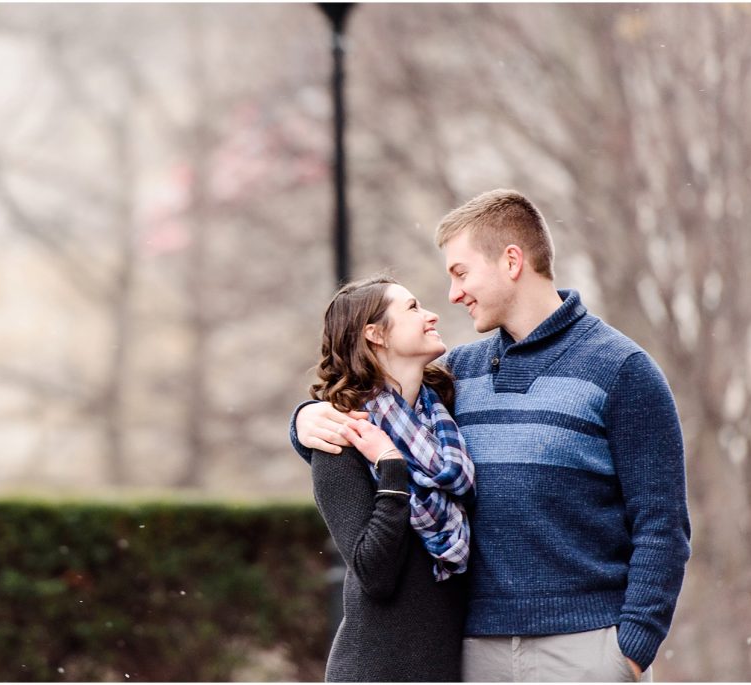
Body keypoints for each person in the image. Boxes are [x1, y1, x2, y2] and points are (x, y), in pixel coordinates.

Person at [290, 190, 691, 682]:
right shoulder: (459, 374)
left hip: (587, 650)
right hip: (475, 652)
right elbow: (380, 401)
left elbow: (662, 523)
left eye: (460, 273)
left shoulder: (622, 371)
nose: (454, 294)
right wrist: (305, 420)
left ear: (512, 261)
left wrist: (630, 650)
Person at [306, 275, 476, 682]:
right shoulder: (344, 436)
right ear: (375, 334)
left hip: (448, 666)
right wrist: (391, 468)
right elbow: (374, 574)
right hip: (377, 669)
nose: (432, 314)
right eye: (414, 308)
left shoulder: (446, 420)